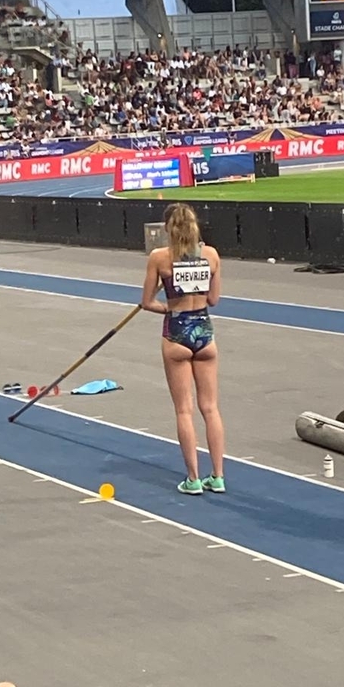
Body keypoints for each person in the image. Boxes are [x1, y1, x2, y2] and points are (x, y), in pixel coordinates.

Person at [141, 203, 226, 496]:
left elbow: (147, 302)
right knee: (210, 408)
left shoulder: (159, 257)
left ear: (167, 228)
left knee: (184, 410)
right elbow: (213, 299)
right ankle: (218, 476)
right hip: (204, 333)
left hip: (177, 332)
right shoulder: (211, 255)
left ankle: (193, 478)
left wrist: (169, 306)